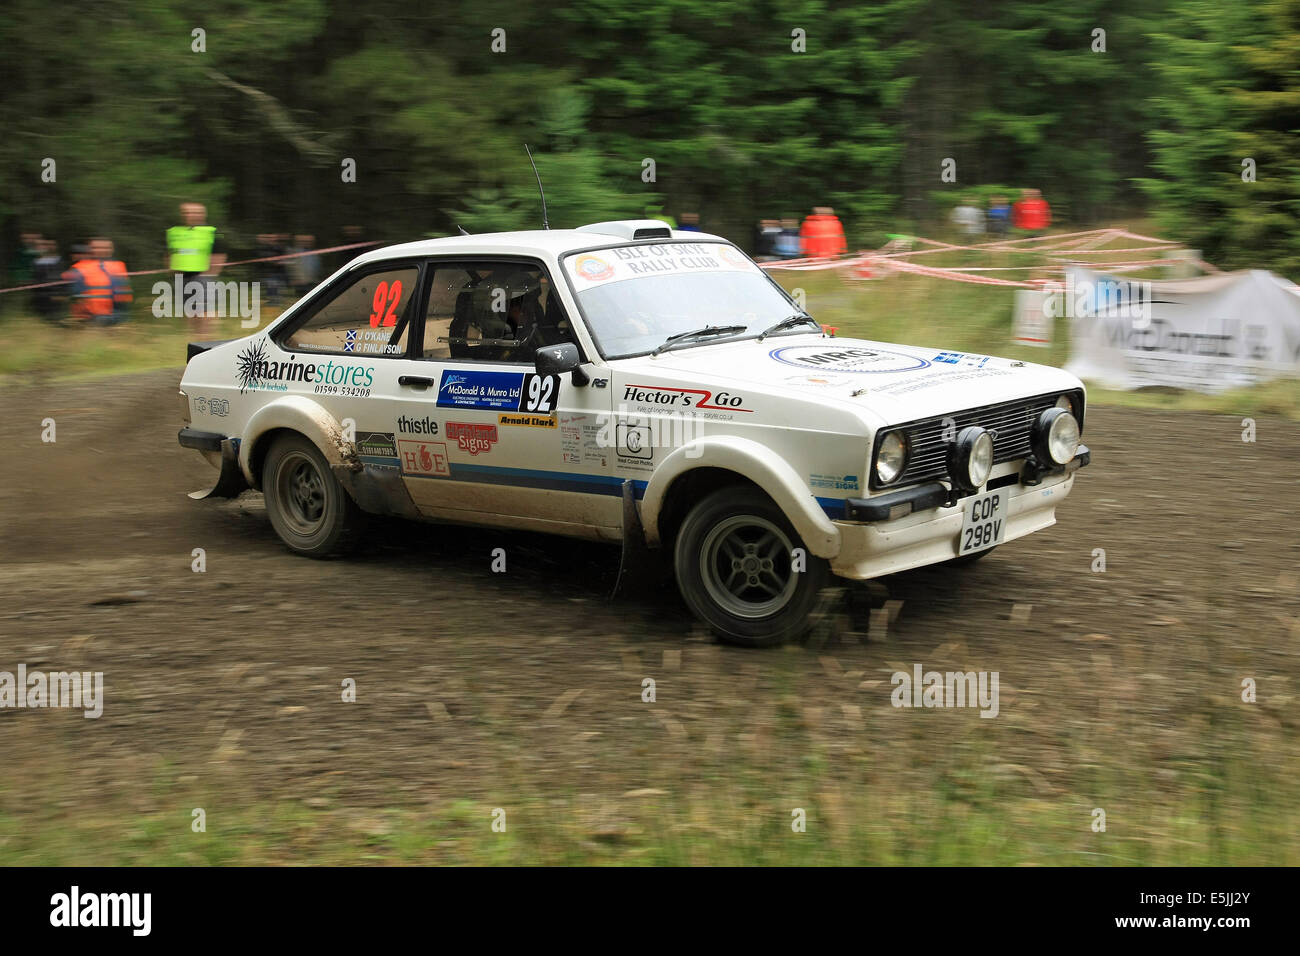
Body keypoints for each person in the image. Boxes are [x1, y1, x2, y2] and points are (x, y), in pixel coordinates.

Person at [166, 202, 225, 335]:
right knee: (189, 312)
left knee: (203, 312)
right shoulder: (175, 232)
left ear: (203, 214)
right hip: (182, 277)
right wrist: (172, 270)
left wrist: (210, 275)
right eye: (188, 212)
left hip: (203, 277)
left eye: (196, 212)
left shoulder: (212, 232)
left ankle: (205, 339)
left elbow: (219, 254)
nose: (191, 215)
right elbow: (170, 253)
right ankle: (194, 338)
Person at [62, 243, 115, 325]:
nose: (78, 256)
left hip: (89, 313)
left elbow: (76, 294)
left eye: (81, 254)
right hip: (103, 311)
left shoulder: (78, 269)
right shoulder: (99, 267)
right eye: (76, 253)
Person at [92, 238, 133, 324]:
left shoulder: (119, 265)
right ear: (92, 249)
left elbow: (125, 292)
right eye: (98, 247)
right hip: (92, 316)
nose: (102, 250)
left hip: (117, 314)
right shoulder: (83, 267)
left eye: (106, 248)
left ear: (112, 249)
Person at [32, 240, 64, 323]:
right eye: (46, 244)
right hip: (39, 297)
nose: (49, 247)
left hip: (54, 297)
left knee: (54, 320)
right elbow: (35, 279)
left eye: (52, 244)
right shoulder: (36, 262)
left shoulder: (59, 261)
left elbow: (61, 279)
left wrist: (58, 293)